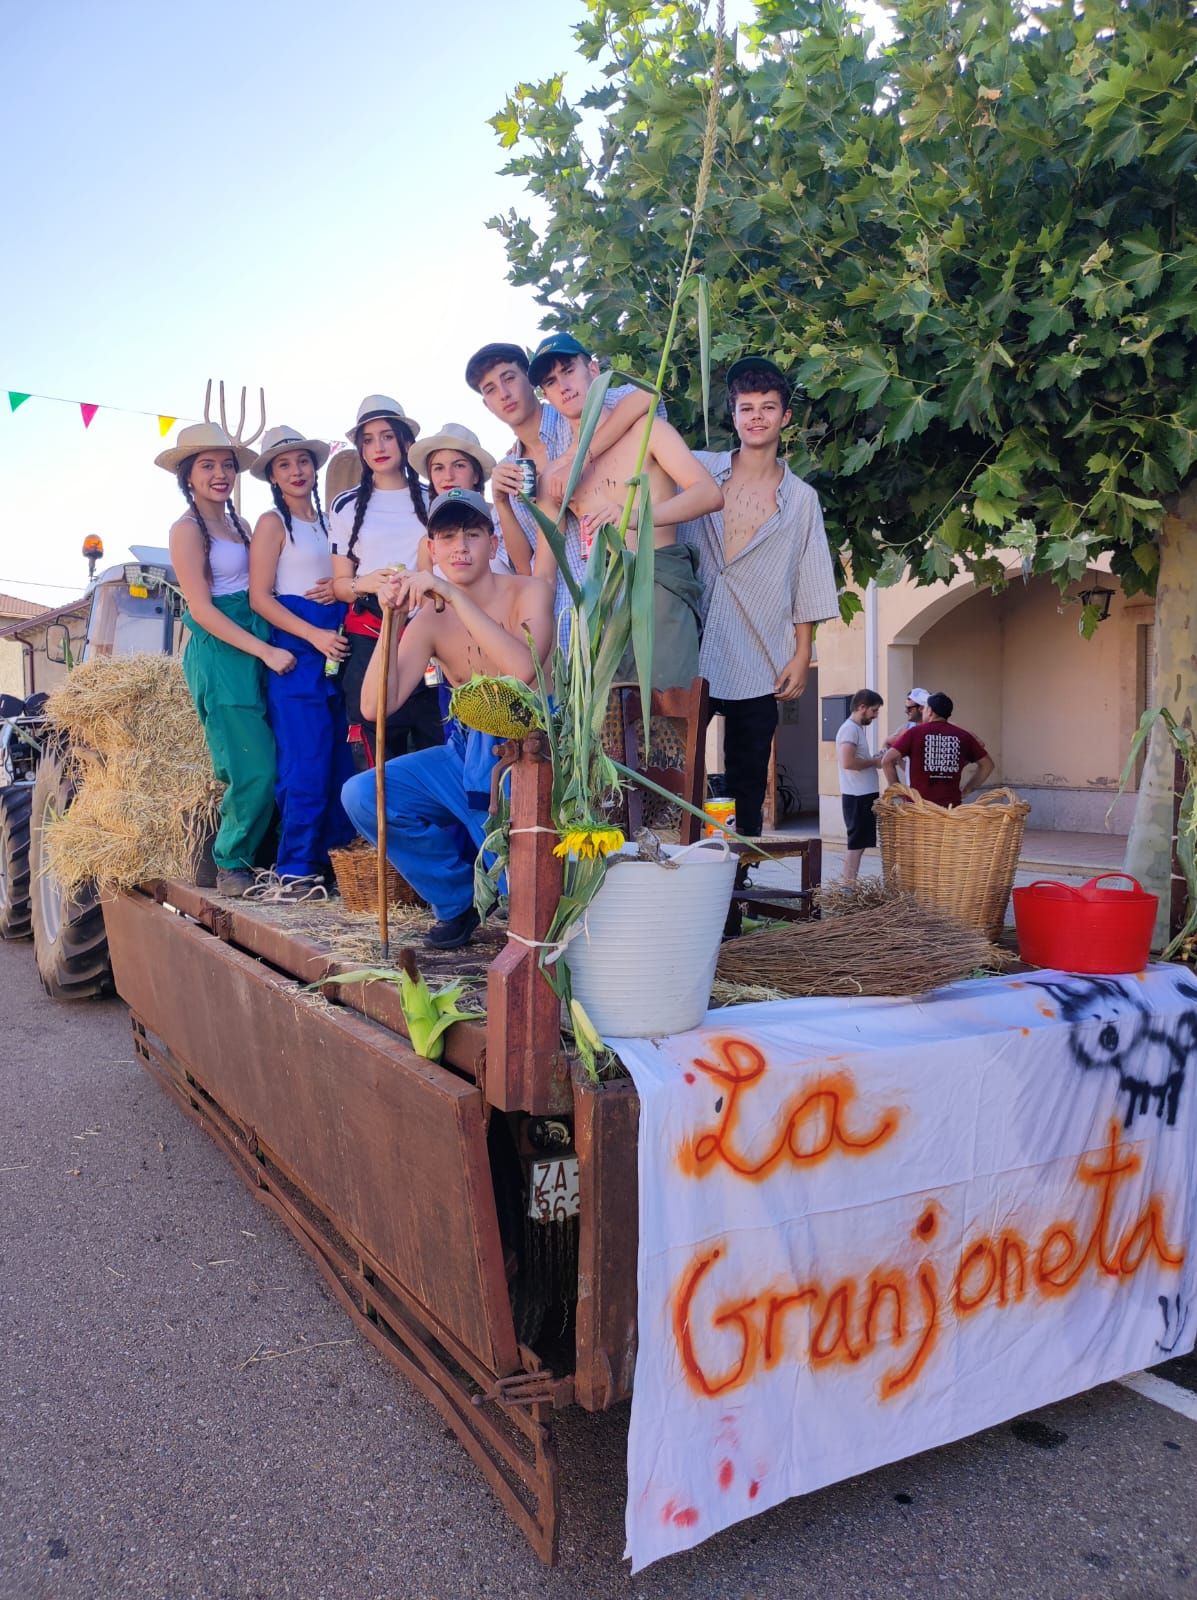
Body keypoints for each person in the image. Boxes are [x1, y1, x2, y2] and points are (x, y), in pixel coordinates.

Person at [340, 489, 555, 950]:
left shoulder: (530, 591)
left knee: (524, 897)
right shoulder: (429, 620)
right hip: (465, 751)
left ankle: (503, 893)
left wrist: (456, 596)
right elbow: (374, 707)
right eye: (448, 536)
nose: (460, 547)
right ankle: (457, 900)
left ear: (492, 544)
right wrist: (392, 620)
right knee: (362, 794)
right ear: (432, 549)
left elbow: (523, 670)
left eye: (473, 534)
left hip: (533, 752)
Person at [679, 355, 840, 837]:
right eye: (746, 407)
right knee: (675, 764)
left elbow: (808, 577)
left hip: (759, 652)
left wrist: (802, 652)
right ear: (733, 414)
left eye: (768, 407)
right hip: (689, 644)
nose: (756, 416)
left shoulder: (802, 499)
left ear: (785, 416)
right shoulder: (699, 470)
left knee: (748, 778)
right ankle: (673, 867)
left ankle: (738, 881)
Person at [529, 333, 722, 687]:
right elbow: (544, 570)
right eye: (550, 382)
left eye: (568, 371)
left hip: (659, 579)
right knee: (610, 733)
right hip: (603, 604)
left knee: (668, 720)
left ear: (592, 368)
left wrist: (636, 517)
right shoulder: (558, 475)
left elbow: (709, 494)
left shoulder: (647, 430)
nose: (563, 386)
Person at [159, 422, 288, 899]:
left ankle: (264, 854)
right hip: (221, 650)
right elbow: (201, 609)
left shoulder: (240, 524)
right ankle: (230, 860)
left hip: (256, 635)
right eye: (207, 465)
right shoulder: (186, 529)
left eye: (227, 465)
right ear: (188, 476)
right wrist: (265, 650)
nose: (220, 473)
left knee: (277, 752)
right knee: (251, 764)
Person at [464, 339, 658, 622]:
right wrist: (502, 503)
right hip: (567, 611)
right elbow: (524, 568)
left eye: (509, 378)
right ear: (486, 404)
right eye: (491, 390)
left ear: (532, 382)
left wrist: (579, 458)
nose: (504, 394)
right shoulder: (511, 469)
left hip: (628, 581)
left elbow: (647, 396)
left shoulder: (577, 411)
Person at [247, 425, 356, 901]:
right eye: (285, 464)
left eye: (303, 462)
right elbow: (258, 597)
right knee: (305, 762)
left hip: (337, 640)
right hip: (299, 648)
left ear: (315, 467)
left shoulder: (330, 519)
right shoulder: (272, 523)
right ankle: (294, 868)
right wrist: (312, 633)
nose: (296, 471)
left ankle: (333, 864)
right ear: (273, 474)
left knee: (338, 760)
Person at [329, 395, 443, 764]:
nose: (378, 447)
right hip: (369, 633)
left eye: (387, 436)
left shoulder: (433, 499)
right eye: (368, 439)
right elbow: (338, 585)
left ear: (405, 442)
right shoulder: (345, 505)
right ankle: (376, 822)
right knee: (372, 741)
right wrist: (367, 583)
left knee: (433, 736)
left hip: (427, 631)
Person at [881, 691, 994, 807]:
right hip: (950, 809)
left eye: (924, 709)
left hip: (918, 808)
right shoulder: (963, 736)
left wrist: (900, 792)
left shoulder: (914, 733)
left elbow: (886, 761)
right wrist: (967, 789)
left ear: (930, 711)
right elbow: (988, 765)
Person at [836, 689, 886, 883]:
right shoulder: (849, 729)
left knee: (859, 845)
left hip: (862, 795)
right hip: (857, 796)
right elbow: (847, 762)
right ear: (861, 707)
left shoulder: (855, 729)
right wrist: (874, 762)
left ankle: (849, 886)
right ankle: (848, 887)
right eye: (874, 710)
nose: (875, 715)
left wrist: (872, 760)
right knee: (855, 845)